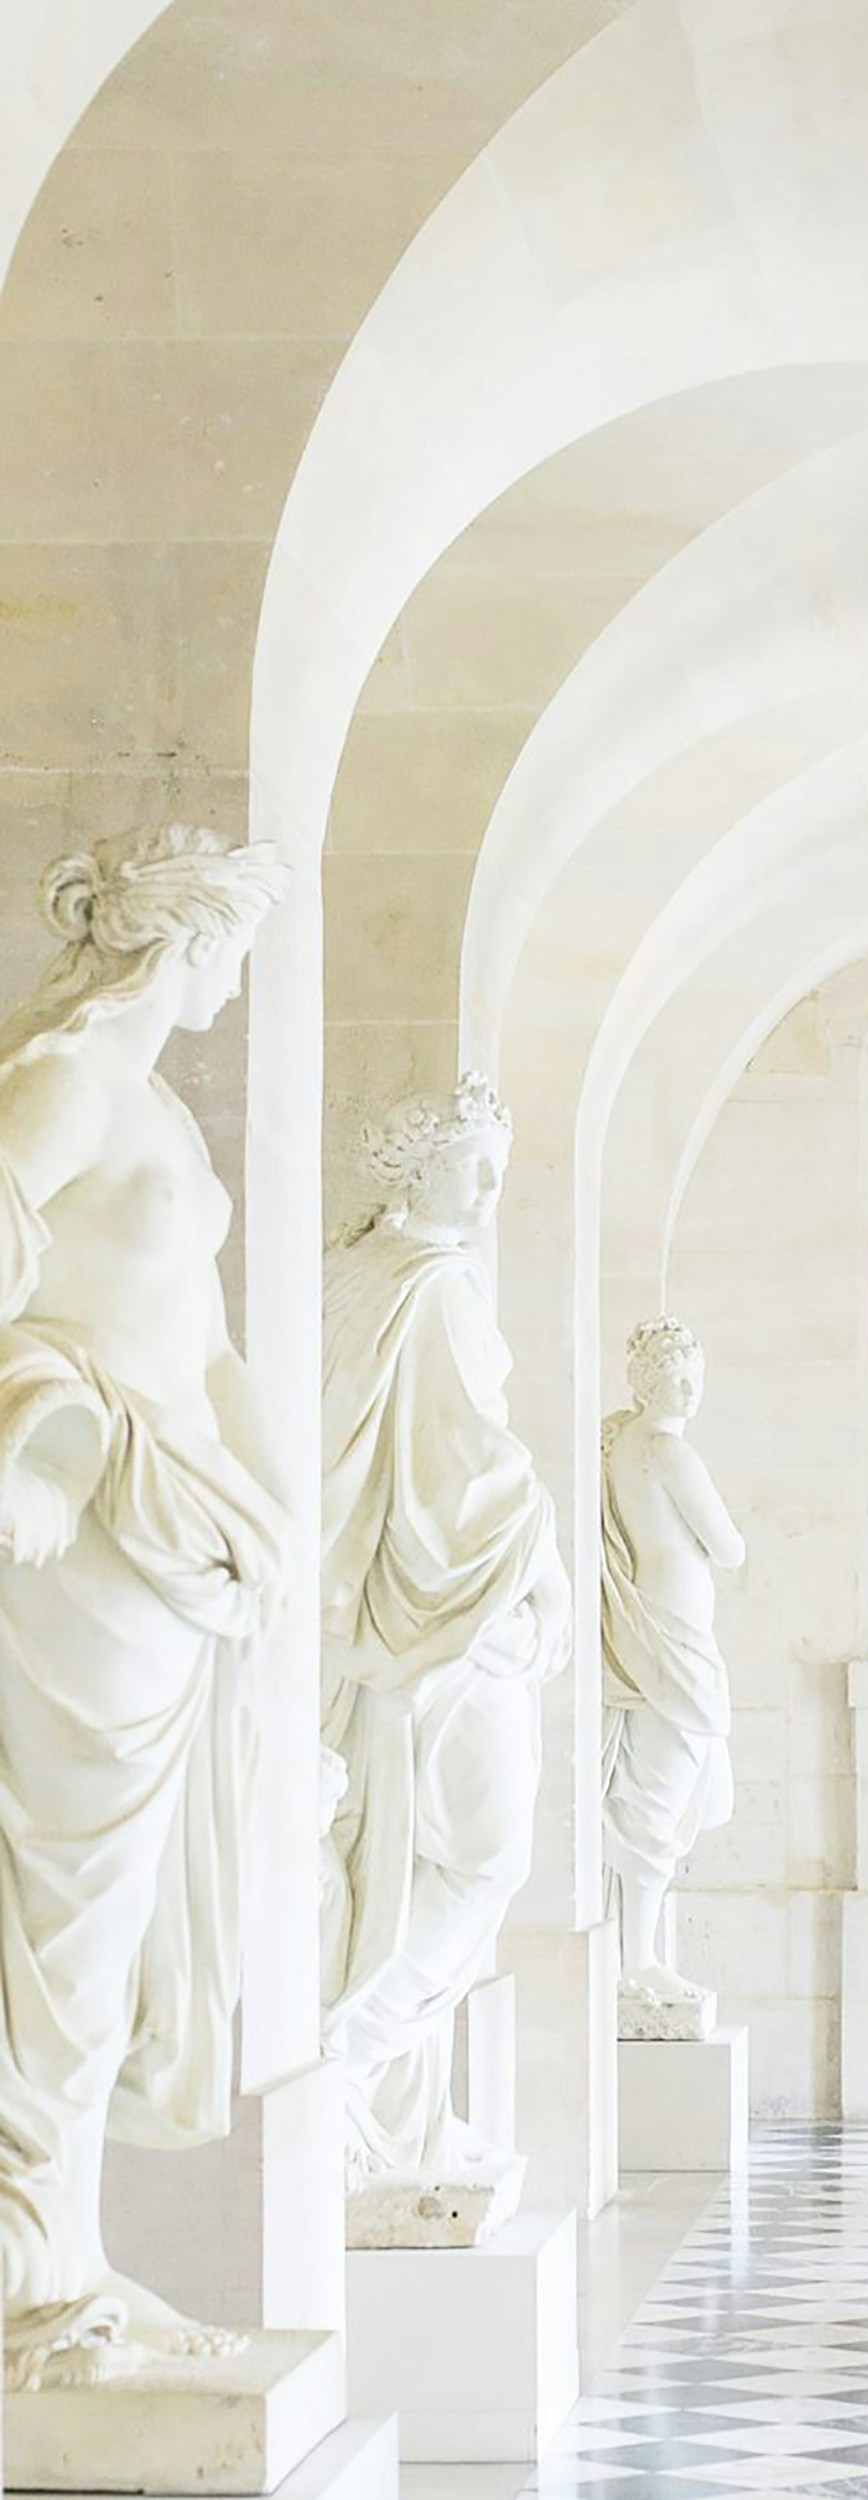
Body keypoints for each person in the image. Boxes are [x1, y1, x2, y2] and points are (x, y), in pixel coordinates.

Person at [0, 824, 290, 2391]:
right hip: (87, 1536)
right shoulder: (64, 1084)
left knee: (107, 1941)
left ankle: (67, 2253)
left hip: (182, 1542)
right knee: (60, 1922)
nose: (239, 978)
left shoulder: (162, 1110)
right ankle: (25, 2276)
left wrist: (275, 1514)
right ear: (180, 938)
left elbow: (215, 1346)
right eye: (232, 945)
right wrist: (21, 1463)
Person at [320, 1074, 569, 2210]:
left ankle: (394, 2112)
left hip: (376, 1622)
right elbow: (467, 1471)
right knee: (481, 1855)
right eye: (476, 1168)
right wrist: (544, 1554)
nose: (488, 1192)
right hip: (451, 1619)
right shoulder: (433, 1285)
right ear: (418, 1167)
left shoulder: (349, 1274)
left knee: (405, 1854)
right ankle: (348, 2061)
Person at [601, 1317, 743, 2032]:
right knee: (659, 1792)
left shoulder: (623, 1441)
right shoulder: (665, 1447)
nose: (687, 1392)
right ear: (644, 1383)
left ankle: (638, 1953)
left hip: (658, 1623)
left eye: (694, 1378)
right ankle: (636, 1960)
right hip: (673, 1631)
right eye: (673, 1379)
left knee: (656, 1786)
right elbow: (728, 1546)